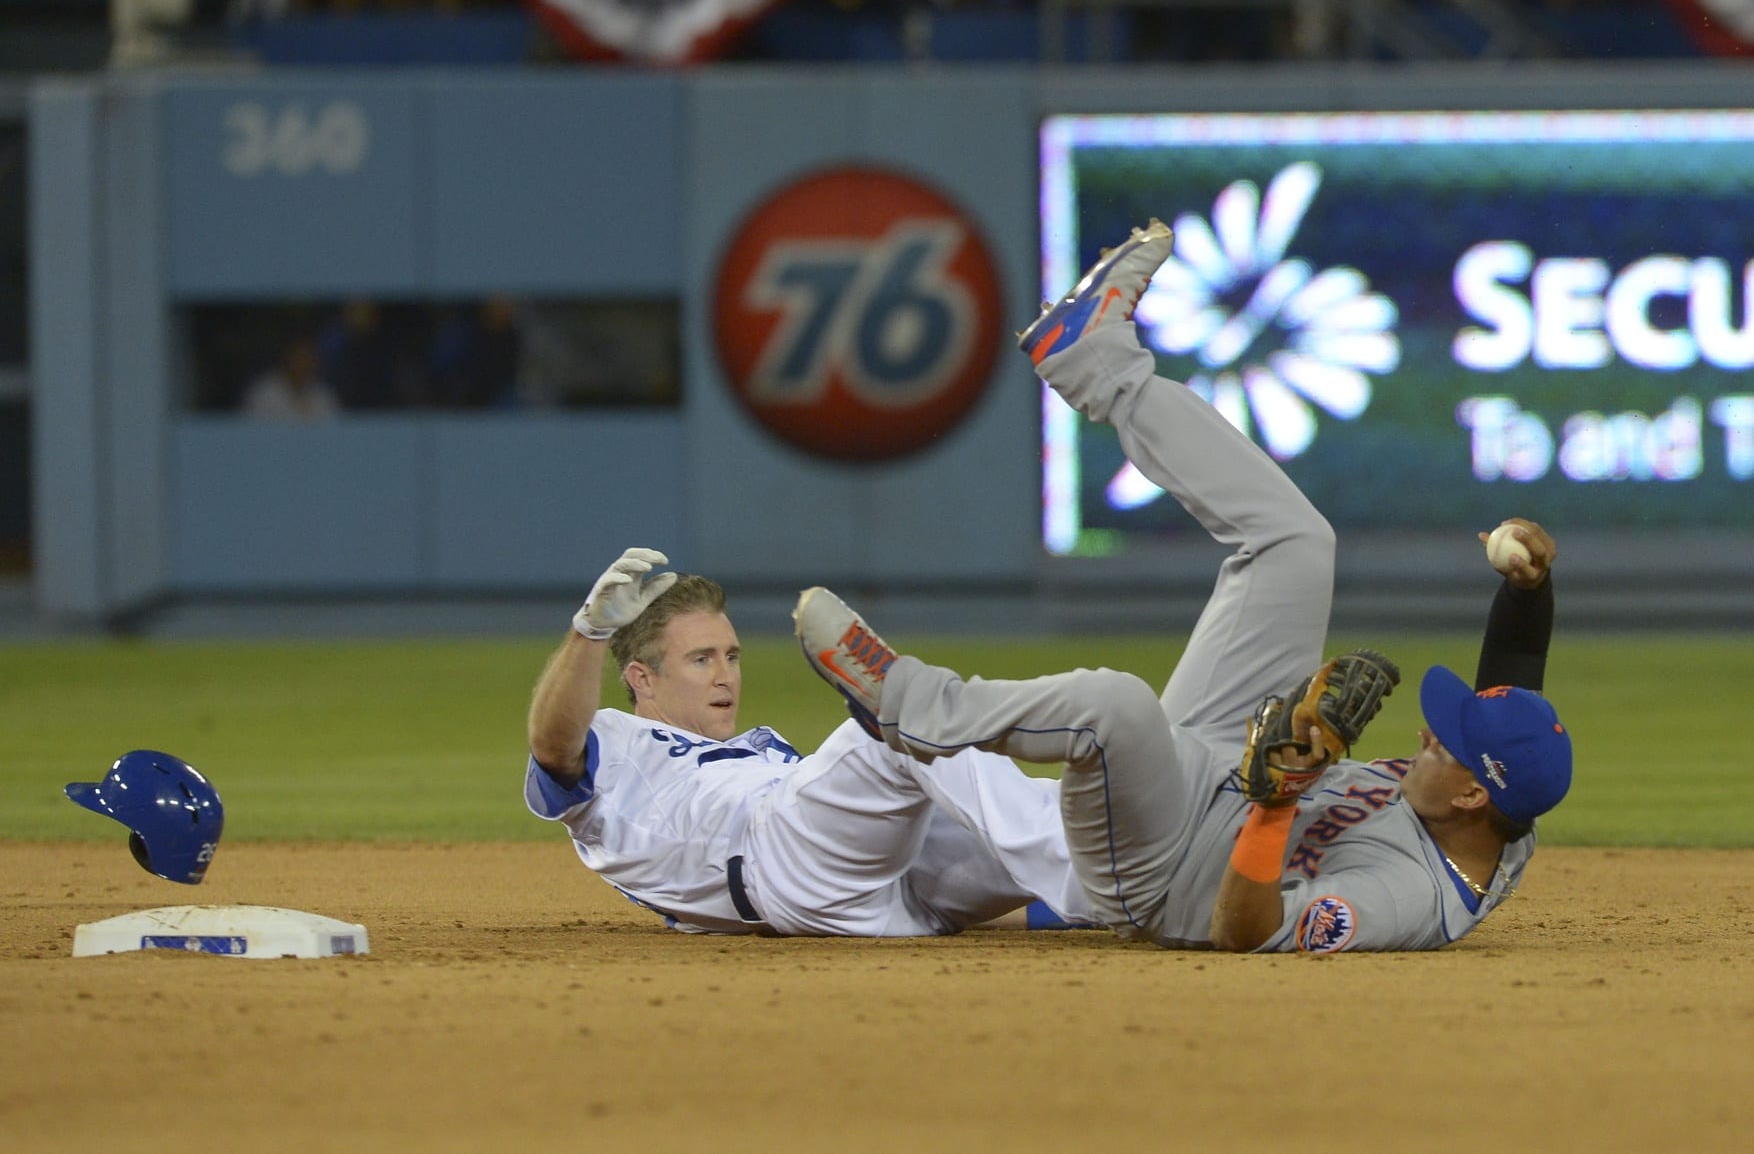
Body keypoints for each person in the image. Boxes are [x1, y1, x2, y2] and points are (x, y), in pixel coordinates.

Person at [794, 218, 1573, 954]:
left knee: (1116, 707)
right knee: (1298, 545)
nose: (1424, 736)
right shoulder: (1501, 800)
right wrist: (1528, 593)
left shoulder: (1409, 896)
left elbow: (1247, 930)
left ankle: (901, 700)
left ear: (1474, 796)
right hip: (1218, 767)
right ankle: (1094, 359)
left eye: (1444, 743)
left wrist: (1273, 806)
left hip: (1162, 871)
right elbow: (1512, 702)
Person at [522, 552, 1092, 936]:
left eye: (732, 655)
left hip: (880, 890)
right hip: (777, 865)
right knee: (898, 726)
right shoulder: (617, 746)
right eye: (701, 659)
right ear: (642, 678)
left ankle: (1118, 870)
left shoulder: (759, 746)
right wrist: (589, 633)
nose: (726, 675)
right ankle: (1093, 876)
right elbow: (553, 745)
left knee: (948, 753)